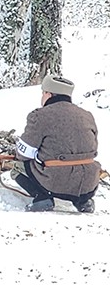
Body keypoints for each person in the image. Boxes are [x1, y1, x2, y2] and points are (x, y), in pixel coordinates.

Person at [14, 74, 101, 213]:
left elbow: (24, 153)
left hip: (55, 182)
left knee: (16, 167)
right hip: (89, 183)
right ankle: (83, 201)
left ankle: (42, 198)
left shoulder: (39, 115)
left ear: (48, 94)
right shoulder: (87, 115)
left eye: (43, 93)